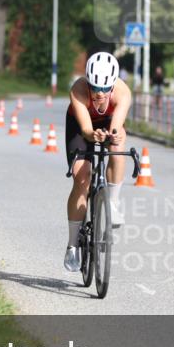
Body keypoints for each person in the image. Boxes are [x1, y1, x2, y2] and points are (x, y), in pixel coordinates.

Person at [63, 52, 132, 272]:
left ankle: (112, 201)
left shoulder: (123, 92)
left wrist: (113, 134)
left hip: (107, 121)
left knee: (117, 145)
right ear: (88, 82)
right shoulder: (79, 90)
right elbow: (85, 130)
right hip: (80, 124)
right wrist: (94, 136)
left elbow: (116, 124)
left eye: (105, 89)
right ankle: (72, 245)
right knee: (82, 178)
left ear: (112, 85)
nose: (100, 93)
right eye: (95, 87)